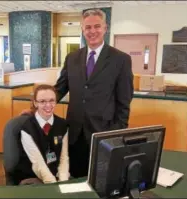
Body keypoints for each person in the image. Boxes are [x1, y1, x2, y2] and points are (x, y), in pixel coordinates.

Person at [54, 9, 134, 178]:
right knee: (75, 178)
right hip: (75, 132)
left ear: (105, 28)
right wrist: (36, 107)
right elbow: (60, 89)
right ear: (82, 30)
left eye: (97, 26)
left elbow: (124, 101)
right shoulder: (72, 57)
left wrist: (117, 133)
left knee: (101, 179)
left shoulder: (121, 59)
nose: (92, 31)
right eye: (88, 27)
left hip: (103, 133)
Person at [14, 84, 69, 185]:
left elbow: (63, 158)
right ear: (35, 103)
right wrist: (55, 186)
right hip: (33, 176)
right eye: (42, 101)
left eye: (52, 100)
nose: (48, 105)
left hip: (55, 175)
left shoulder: (62, 125)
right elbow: (38, 164)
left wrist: (63, 182)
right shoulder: (27, 128)